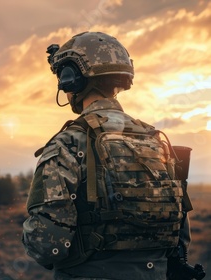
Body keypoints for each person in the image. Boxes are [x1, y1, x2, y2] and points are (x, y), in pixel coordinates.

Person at [21, 32, 197, 280]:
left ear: (73, 79)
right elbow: (180, 236)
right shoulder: (156, 142)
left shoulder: (67, 144)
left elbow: (48, 245)